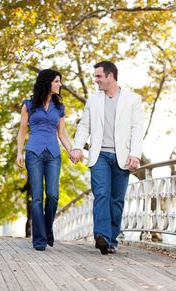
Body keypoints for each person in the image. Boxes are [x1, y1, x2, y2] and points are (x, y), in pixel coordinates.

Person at [70, 61, 144, 255]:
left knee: (117, 200)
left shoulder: (133, 100)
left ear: (110, 76)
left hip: (122, 156)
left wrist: (135, 154)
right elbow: (84, 126)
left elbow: (137, 129)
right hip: (99, 155)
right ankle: (101, 235)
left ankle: (111, 240)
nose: (96, 80)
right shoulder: (93, 101)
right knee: (102, 193)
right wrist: (77, 147)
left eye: (98, 76)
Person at [16, 69, 72, 251]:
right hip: (34, 153)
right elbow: (22, 130)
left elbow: (62, 133)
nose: (59, 85)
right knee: (37, 198)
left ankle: (48, 229)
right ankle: (39, 239)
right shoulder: (29, 105)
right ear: (48, 82)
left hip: (54, 155)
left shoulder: (59, 108)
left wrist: (72, 151)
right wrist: (19, 153)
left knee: (53, 195)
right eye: (57, 81)